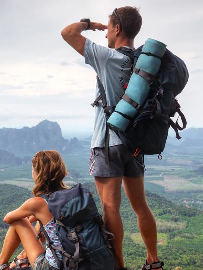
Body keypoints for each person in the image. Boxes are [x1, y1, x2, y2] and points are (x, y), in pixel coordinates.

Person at [60, 6, 164, 270]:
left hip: (107, 144)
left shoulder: (107, 57)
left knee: (111, 208)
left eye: (109, 27)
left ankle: (117, 265)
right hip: (135, 144)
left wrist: (92, 24)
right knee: (141, 206)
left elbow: (68, 32)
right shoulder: (144, 64)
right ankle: (153, 261)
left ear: (117, 29)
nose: (106, 32)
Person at [0, 150, 68, 270]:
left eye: (33, 170)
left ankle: (0, 266)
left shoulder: (38, 203)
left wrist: (29, 214)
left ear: (38, 173)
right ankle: (22, 257)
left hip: (55, 267)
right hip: (79, 259)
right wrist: (34, 216)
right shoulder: (70, 195)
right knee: (42, 222)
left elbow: (8, 218)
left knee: (19, 221)